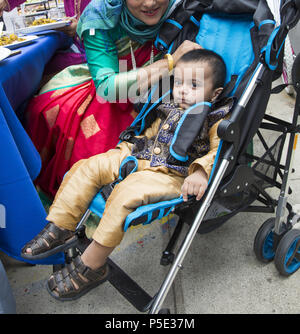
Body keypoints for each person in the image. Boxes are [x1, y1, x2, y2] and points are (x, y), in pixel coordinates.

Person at [21, 48, 233, 301]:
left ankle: (93, 265)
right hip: (138, 156)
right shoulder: (169, 106)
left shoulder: (216, 117)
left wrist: (200, 172)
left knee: (124, 195)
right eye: (178, 83)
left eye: (194, 85)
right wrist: (129, 148)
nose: (183, 90)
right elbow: (150, 131)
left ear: (215, 92)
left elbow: (217, 150)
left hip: (172, 175)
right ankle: (62, 226)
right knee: (87, 167)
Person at [25, 0, 201, 199]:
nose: (150, 3)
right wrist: (170, 63)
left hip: (162, 95)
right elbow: (107, 89)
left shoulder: (179, 10)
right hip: (113, 94)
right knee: (90, 153)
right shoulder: (100, 19)